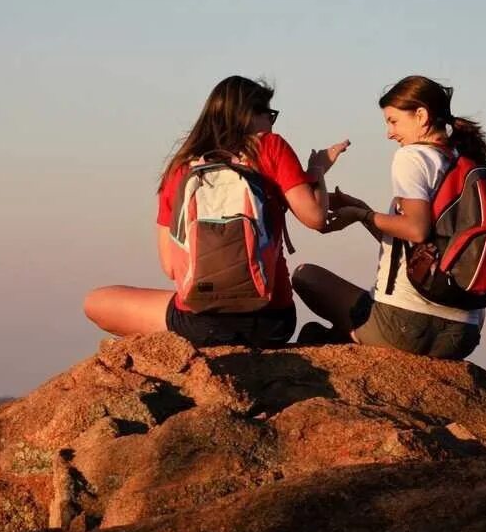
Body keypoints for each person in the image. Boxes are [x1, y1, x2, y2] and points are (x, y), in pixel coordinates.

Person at [84, 75, 349, 347]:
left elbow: (170, 267)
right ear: (248, 115)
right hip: (272, 322)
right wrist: (316, 169)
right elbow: (315, 217)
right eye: (269, 114)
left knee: (96, 302)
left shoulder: (182, 167)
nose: (270, 123)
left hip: (199, 324)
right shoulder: (271, 146)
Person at [292, 75, 486, 359]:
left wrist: (360, 214)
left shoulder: (412, 157)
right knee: (324, 332)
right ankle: (340, 340)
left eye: (393, 121)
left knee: (306, 276)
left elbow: (415, 229)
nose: (389, 133)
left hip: (403, 327)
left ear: (421, 115)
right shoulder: (466, 163)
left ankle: (340, 347)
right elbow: (413, 247)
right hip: (461, 334)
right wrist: (363, 213)